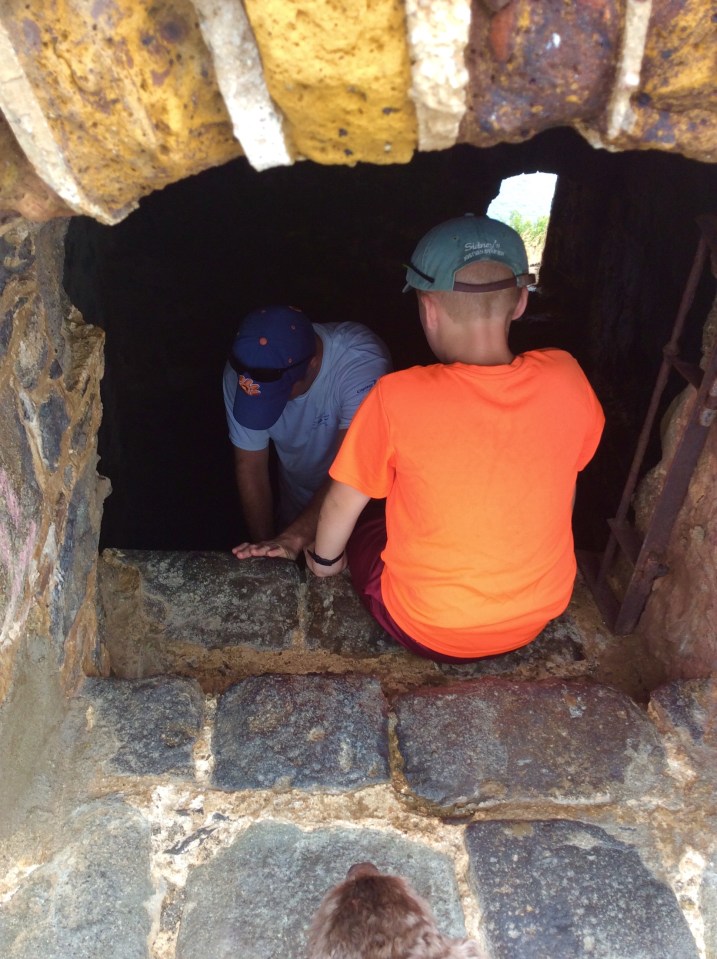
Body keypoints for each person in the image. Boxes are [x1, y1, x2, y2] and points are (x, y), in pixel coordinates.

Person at [304, 214, 605, 662]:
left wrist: (323, 565)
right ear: (521, 302)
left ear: (428, 310)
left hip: (427, 627)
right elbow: (568, 476)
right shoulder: (567, 376)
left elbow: (340, 503)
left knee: (372, 524)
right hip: (536, 616)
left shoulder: (397, 396)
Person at [223, 305, 392, 561]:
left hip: (363, 521)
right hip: (294, 509)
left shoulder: (360, 361)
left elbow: (352, 474)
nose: (264, 403)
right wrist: (266, 550)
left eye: (276, 394)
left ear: (313, 363)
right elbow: (250, 465)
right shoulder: (243, 374)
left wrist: (292, 539)